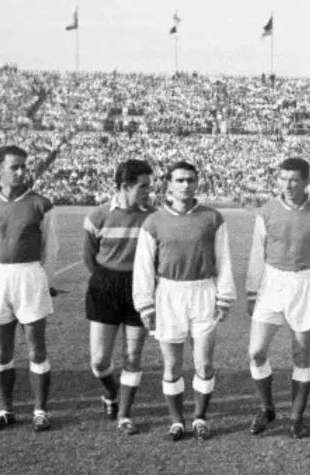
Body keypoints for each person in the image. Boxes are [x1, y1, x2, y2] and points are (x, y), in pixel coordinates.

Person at [133, 161, 235, 441]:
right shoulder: (154, 221)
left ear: (196, 183)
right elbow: (143, 266)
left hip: (203, 291)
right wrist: (145, 304)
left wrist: (224, 297)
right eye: (179, 180)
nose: (185, 185)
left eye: (190, 180)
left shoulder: (212, 218)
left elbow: (224, 259)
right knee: (172, 365)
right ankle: (177, 421)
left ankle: (200, 418)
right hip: (168, 294)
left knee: (203, 363)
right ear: (169, 185)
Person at [246, 157, 310, 439]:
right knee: (256, 351)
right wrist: (251, 290)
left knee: (301, 353)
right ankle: (266, 407)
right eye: (283, 178)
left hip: (305, 283)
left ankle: (296, 416)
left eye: (294, 179)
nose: (288, 184)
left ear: (306, 182)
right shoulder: (267, 210)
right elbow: (258, 253)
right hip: (272, 283)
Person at [0, 145, 59, 432]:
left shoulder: (41, 204)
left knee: (36, 349)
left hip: (30, 276)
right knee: (2, 351)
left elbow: (51, 248)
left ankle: (40, 410)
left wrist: (44, 281)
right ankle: (6, 410)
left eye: (24, 166)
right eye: (15, 167)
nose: (22, 171)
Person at [83, 159, 155, 435]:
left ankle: (124, 414)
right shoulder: (97, 217)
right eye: (143, 186)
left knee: (132, 356)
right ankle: (112, 393)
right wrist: (108, 279)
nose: (149, 191)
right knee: (99, 361)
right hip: (105, 287)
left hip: (139, 289)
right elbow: (90, 259)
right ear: (125, 186)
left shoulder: (153, 216)